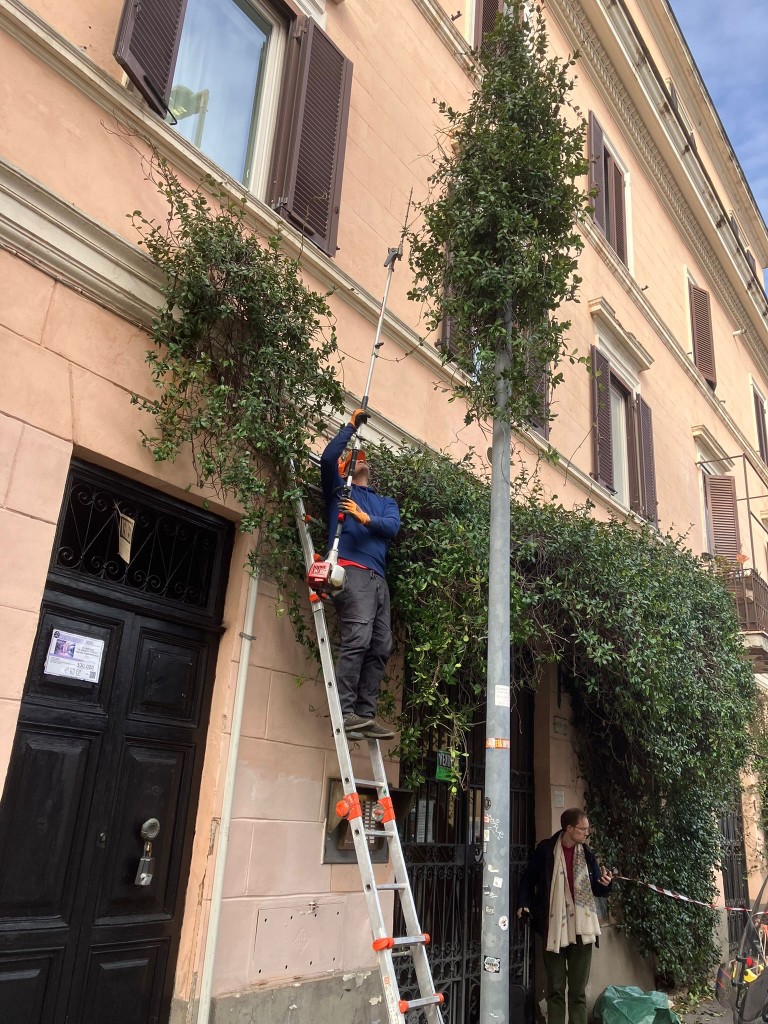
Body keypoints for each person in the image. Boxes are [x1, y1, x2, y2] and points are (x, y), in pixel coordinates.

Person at [320, 409, 400, 741]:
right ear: (347, 468)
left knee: (382, 644)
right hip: (351, 572)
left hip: (377, 579)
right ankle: (345, 711)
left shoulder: (385, 501)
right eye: (354, 458)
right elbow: (327, 458)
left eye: (363, 458)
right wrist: (351, 427)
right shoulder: (340, 491)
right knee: (360, 636)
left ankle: (365, 715)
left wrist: (365, 518)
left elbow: (392, 527)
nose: (360, 460)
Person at [516, 808, 613, 1024]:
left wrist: (607, 884)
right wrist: (523, 903)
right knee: (556, 989)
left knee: (578, 992)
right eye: (583, 829)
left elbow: (597, 888)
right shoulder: (546, 850)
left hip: (582, 929)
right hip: (554, 928)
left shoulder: (587, 854)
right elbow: (528, 879)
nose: (586, 834)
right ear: (569, 828)